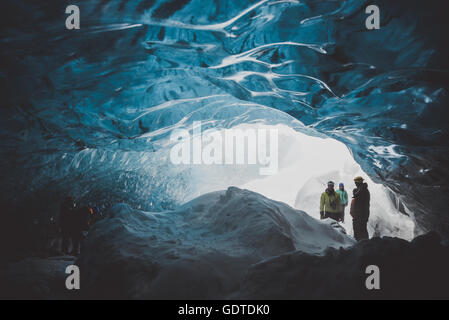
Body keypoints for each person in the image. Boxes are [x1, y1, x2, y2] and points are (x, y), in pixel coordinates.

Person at [351, 176, 370, 241]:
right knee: (358, 230)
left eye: (356, 182)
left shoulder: (365, 191)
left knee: (362, 230)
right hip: (358, 214)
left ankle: (364, 245)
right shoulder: (357, 190)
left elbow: (365, 204)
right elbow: (355, 194)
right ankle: (360, 244)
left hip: (362, 214)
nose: (355, 184)